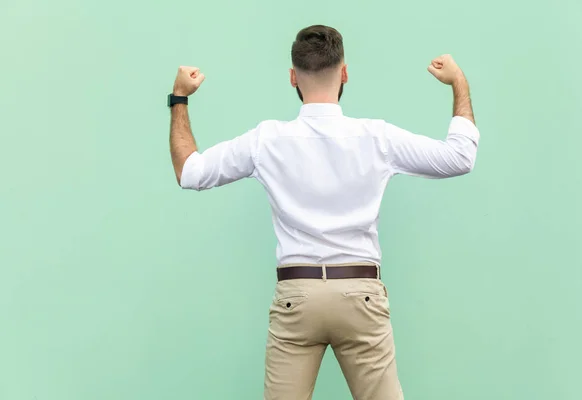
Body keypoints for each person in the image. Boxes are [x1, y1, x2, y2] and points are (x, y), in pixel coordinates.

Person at [167, 25, 479, 400]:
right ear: (344, 72)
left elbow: (190, 172)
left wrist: (180, 98)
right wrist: (459, 82)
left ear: (292, 78)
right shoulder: (377, 137)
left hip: (296, 295)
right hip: (360, 293)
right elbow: (461, 157)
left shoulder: (266, 140)